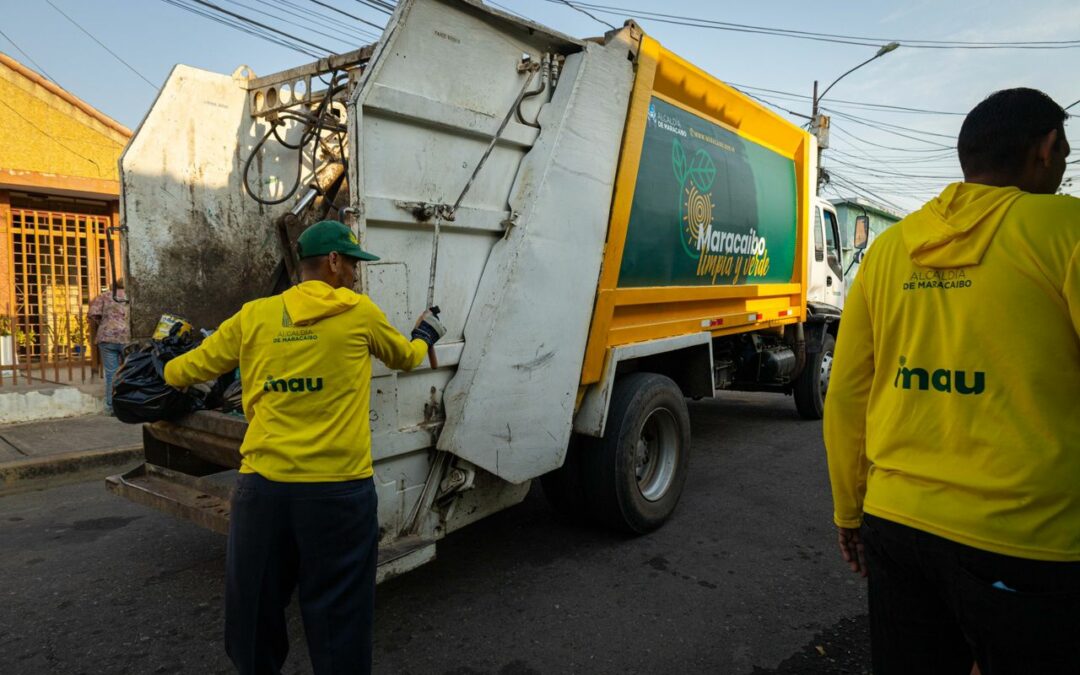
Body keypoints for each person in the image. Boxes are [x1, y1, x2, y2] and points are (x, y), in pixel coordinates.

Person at [824, 87, 1080, 674]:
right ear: (1046, 150)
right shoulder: (1067, 232)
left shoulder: (889, 251)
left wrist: (849, 511)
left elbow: (846, 396)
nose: (1064, 174)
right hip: (1029, 544)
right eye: (1064, 158)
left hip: (896, 526)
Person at [163, 220, 447, 675]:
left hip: (263, 493)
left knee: (254, 613)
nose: (355, 273)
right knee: (340, 621)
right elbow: (407, 359)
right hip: (339, 495)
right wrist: (426, 333)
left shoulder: (254, 315)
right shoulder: (359, 312)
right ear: (333, 262)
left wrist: (160, 367)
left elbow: (186, 370)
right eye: (352, 263)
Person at [88, 277, 130, 415]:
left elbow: (93, 313)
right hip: (127, 338)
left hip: (107, 337)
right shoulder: (131, 295)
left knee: (111, 373)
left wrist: (105, 322)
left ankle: (111, 407)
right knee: (131, 371)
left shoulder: (105, 295)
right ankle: (129, 404)